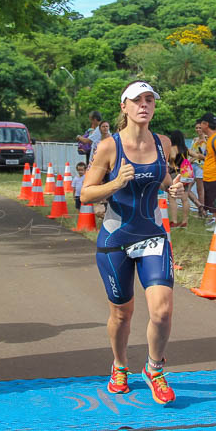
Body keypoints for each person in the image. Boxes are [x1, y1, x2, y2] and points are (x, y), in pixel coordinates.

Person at [81, 80, 183, 406]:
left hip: (152, 235)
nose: (144, 105)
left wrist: (173, 186)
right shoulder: (110, 146)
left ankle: (154, 369)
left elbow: (161, 176)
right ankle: (119, 365)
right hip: (116, 238)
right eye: (136, 100)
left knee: (162, 311)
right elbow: (85, 193)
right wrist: (115, 182)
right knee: (122, 314)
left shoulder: (163, 142)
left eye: (149, 99)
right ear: (124, 106)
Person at [195, 113, 216, 222]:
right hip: (209, 178)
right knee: (213, 205)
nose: (200, 127)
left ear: (206, 124)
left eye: (201, 124)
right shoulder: (210, 139)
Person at [167, 130, 194, 228]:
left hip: (175, 174)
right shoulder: (186, 149)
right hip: (185, 175)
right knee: (185, 199)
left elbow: (172, 158)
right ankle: (184, 221)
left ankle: (174, 221)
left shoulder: (172, 148)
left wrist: (171, 162)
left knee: (172, 198)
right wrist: (189, 162)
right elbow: (197, 155)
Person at [187, 122, 206, 216]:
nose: (198, 129)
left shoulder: (208, 140)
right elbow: (191, 152)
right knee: (186, 188)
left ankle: (202, 212)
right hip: (192, 166)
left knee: (200, 190)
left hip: (201, 167)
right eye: (196, 128)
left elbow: (206, 156)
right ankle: (200, 207)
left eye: (200, 128)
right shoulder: (194, 140)